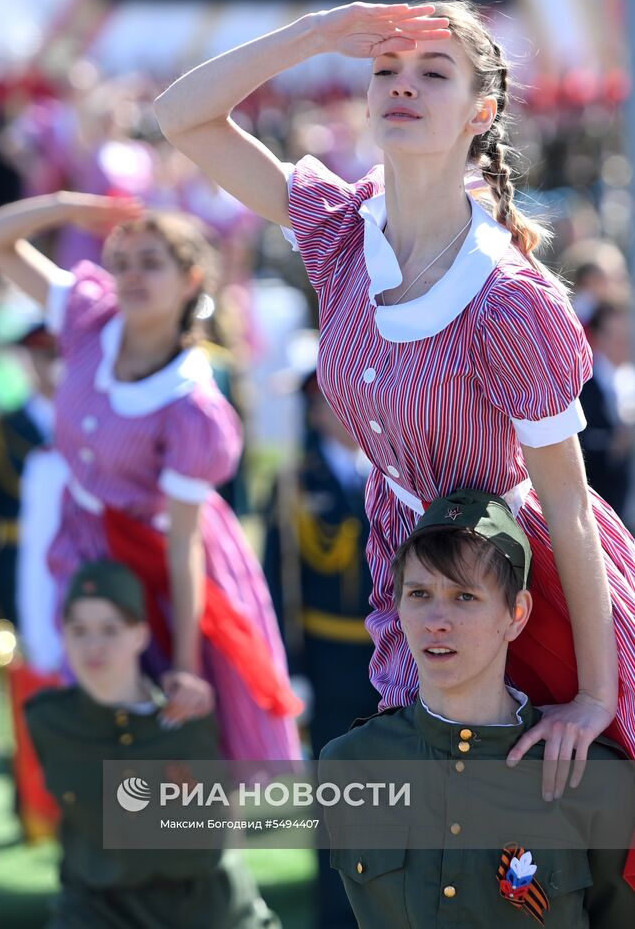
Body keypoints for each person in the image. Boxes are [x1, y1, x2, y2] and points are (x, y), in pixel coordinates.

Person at [153, 0, 635, 792]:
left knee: (534, 870)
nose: (402, 86)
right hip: (408, 580)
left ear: (482, 110)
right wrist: (315, 33)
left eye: (432, 73)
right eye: (386, 71)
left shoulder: (509, 299)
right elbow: (181, 117)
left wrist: (592, 695)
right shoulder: (345, 230)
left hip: (519, 588)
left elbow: (570, 505)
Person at [0, 194, 301, 761]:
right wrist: (70, 206)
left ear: (190, 279)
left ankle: (196, 845)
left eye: (151, 263)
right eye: (122, 262)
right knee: (93, 719)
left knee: (175, 731)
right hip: (81, 537)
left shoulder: (192, 405)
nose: (130, 276)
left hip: (159, 552)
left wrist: (186, 664)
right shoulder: (89, 314)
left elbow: (182, 544)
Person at [320, 489, 634, 928]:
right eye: (419, 594)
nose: (436, 620)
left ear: (517, 614)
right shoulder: (351, 764)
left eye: (464, 596)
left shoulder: (594, 779)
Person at [25, 558, 280, 929]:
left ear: (140, 635)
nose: (93, 645)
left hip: (201, 907)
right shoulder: (48, 720)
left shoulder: (189, 718)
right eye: (79, 630)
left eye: (110, 629)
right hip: (98, 909)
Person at [263, 369, 378, 929]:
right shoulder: (291, 485)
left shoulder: (393, 472)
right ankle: (336, 911)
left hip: (393, 662)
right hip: (330, 661)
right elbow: (276, 588)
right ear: (314, 412)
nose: (342, 412)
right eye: (331, 403)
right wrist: (292, 669)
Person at [0, 322, 58, 626]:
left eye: (61, 354)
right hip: (13, 565)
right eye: (45, 354)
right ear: (29, 359)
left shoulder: (95, 426)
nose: (54, 364)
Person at [579, 302, 635, 521]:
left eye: (625, 336)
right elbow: (580, 438)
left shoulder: (628, 377)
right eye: (616, 336)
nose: (623, 343)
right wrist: (612, 442)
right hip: (600, 497)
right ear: (599, 337)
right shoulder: (584, 382)